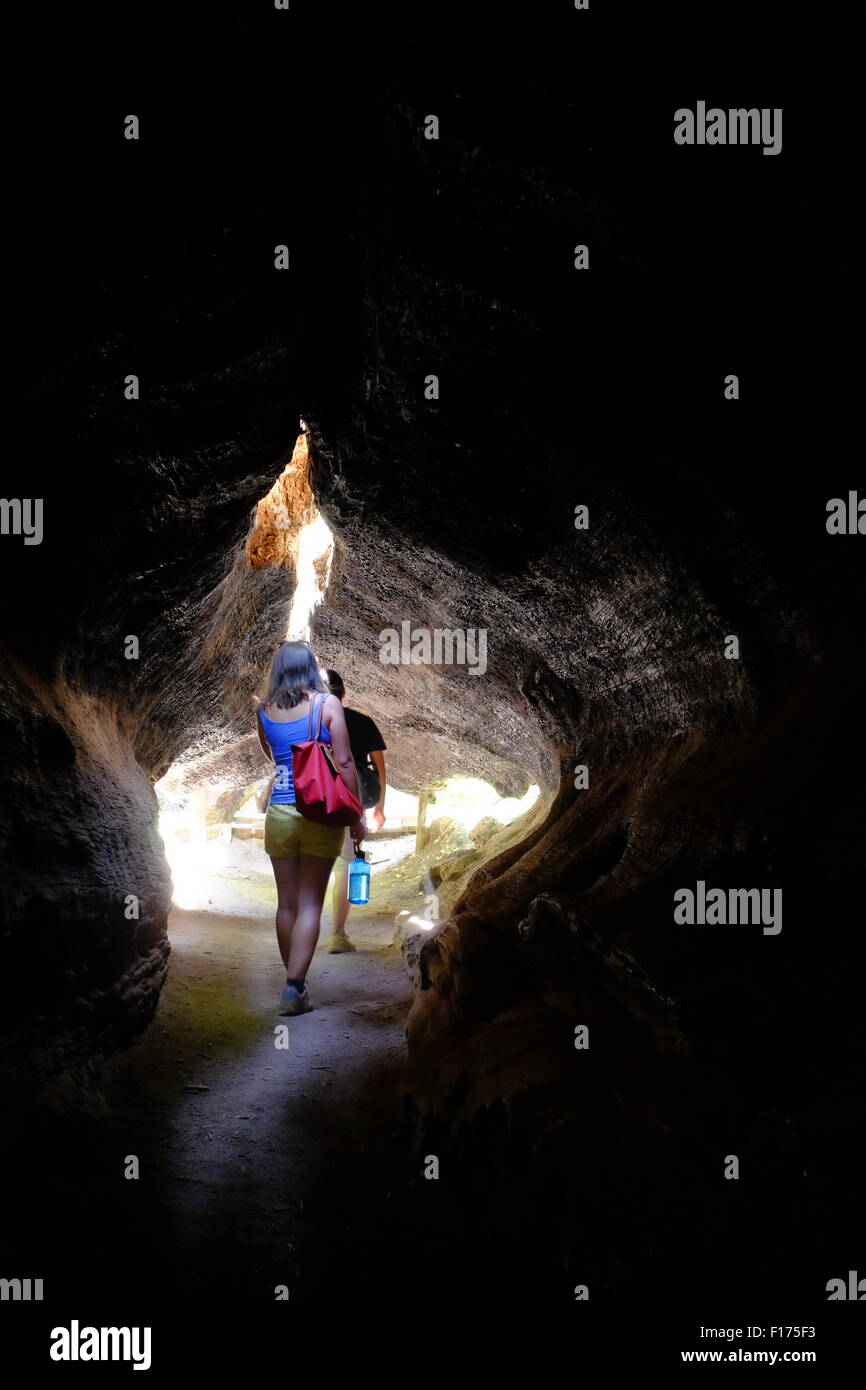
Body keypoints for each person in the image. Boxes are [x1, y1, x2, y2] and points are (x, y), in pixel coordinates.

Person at [256, 641, 366, 1016]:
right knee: (309, 905)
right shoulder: (327, 705)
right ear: (311, 668)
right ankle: (293, 987)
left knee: (286, 903)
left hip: (280, 811)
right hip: (320, 810)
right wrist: (357, 815)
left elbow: (273, 756)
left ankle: (294, 982)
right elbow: (346, 761)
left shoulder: (265, 709)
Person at [324, 670, 387, 953]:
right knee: (345, 869)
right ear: (344, 693)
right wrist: (380, 807)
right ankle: (337, 935)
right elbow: (380, 768)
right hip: (352, 803)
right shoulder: (363, 722)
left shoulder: (311, 723)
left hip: (317, 801)